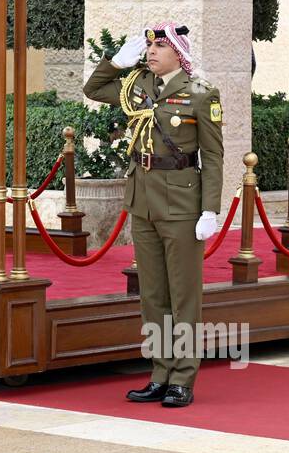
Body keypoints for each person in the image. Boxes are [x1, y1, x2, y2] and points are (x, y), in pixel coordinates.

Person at [84, 23, 224, 408]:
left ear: (179, 52)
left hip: (181, 203)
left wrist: (210, 208)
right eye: (148, 47)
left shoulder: (200, 93)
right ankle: (160, 373)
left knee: (183, 296)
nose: (151, 52)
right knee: (153, 296)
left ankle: (183, 377)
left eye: (160, 46)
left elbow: (212, 156)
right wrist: (114, 62)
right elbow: (93, 89)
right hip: (142, 199)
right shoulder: (138, 87)